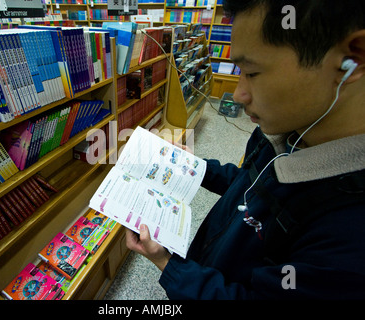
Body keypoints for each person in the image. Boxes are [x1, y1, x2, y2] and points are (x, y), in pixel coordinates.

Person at [126, 0, 365, 299]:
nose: (238, 94)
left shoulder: (350, 235)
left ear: (352, 57)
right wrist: (190, 165)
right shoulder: (284, 128)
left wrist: (166, 263)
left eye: (252, 73)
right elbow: (249, 182)